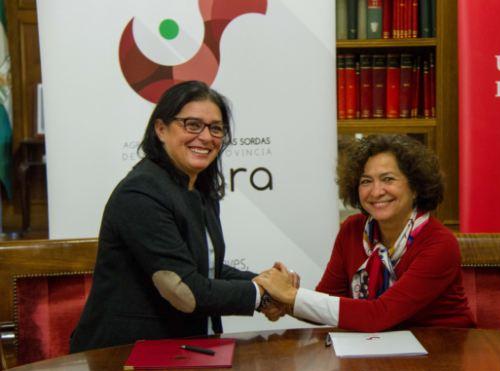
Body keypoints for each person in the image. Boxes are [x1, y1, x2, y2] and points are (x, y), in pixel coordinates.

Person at [70, 81, 283, 353]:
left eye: (216, 128)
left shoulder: (197, 188)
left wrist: (265, 281)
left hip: (185, 351)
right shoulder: (141, 192)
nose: (206, 137)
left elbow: (204, 267)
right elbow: (184, 290)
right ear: (161, 129)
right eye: (192, 124)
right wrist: (262, 295)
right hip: (125, 359)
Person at [255, 135, 476, 332]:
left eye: (388, 179)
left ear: (415, 187)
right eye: (366, 181)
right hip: (380, 355)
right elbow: (328, 303)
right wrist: (282, 301)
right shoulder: (353, 229)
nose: (376, 191)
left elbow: (379, 315)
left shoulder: (439, 243)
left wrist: (291, 296)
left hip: (441, 354)